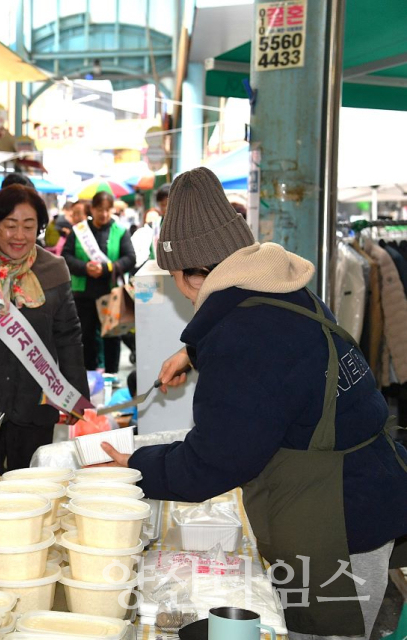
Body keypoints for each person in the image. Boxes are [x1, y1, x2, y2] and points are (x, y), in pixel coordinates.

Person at [100, 167, 407, 640]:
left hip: (340, 524)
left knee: (327, 633)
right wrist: (195, 351)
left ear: (187, 275)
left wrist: (137, 465)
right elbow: (282, 361)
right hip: (370, 484)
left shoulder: (241, 338)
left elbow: (213, 464)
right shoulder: (281, 286)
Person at [0, 185, 88, 472]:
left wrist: (76, 393)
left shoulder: (54, 269)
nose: (19, 236)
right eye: (10, 225)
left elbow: (69, 335)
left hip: (35, 401)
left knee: (32, 487)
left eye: (29, 226)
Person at [62, 191, 135, 372]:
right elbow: (66, 256)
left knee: (112, 337)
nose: (103, 214)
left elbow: (130, 258)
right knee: (86, 336)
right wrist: (85, 267)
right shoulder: (79, 231)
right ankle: (89, 375)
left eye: (107, 210)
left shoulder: (120, 231)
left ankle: (111, 374)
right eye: (99, 209)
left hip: (110, 293)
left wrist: (107, 268)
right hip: (83, 293)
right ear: (92, 209)